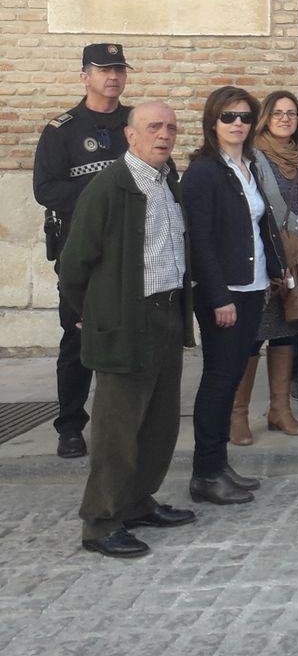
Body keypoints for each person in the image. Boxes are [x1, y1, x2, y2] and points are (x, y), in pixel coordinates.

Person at [60, 101, 195, 559]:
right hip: (125, 320)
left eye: (171, 127)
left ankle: (137, 502)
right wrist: (95, 312)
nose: (164, 134)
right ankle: (100, 522)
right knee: (117, 428)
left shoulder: (167, 181)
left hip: (167, 313)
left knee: (159, 421)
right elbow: (74, 264)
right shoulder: (108, 186)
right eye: (154, 126)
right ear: (130, 135)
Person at [180, 87, 285, 507]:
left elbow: (259, 226)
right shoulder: (204, 171)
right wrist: (218, 296)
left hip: (252, 286)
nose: (238, 123)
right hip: (225, 293)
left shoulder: (249, 164)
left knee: (232, 379)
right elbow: (200, 241)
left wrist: (274, 270)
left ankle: (219, 465)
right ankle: (205, 474)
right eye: (228, 116)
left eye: (244, 116)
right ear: (212, 122)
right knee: (219, 380)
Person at [32, 43, 132, 460]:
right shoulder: (62, 130)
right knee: (77, 339)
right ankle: (71, 426)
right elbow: (46, 189)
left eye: (119, 69)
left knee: (131, 335)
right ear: (84, 77)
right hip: (82, 253)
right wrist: (100, 201)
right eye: (104, 69)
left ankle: (126, 421)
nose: (113, 77)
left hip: (134, 250)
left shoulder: (137, 123)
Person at [236, 90, 298, 442]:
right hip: (263, 261)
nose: (285, 119)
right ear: (266, 118)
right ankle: (238, 414)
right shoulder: (252, 157)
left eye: (291, 113)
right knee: (253, 337)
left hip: (296, 262)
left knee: (286, 333)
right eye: (278, 113)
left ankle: (280, 410)